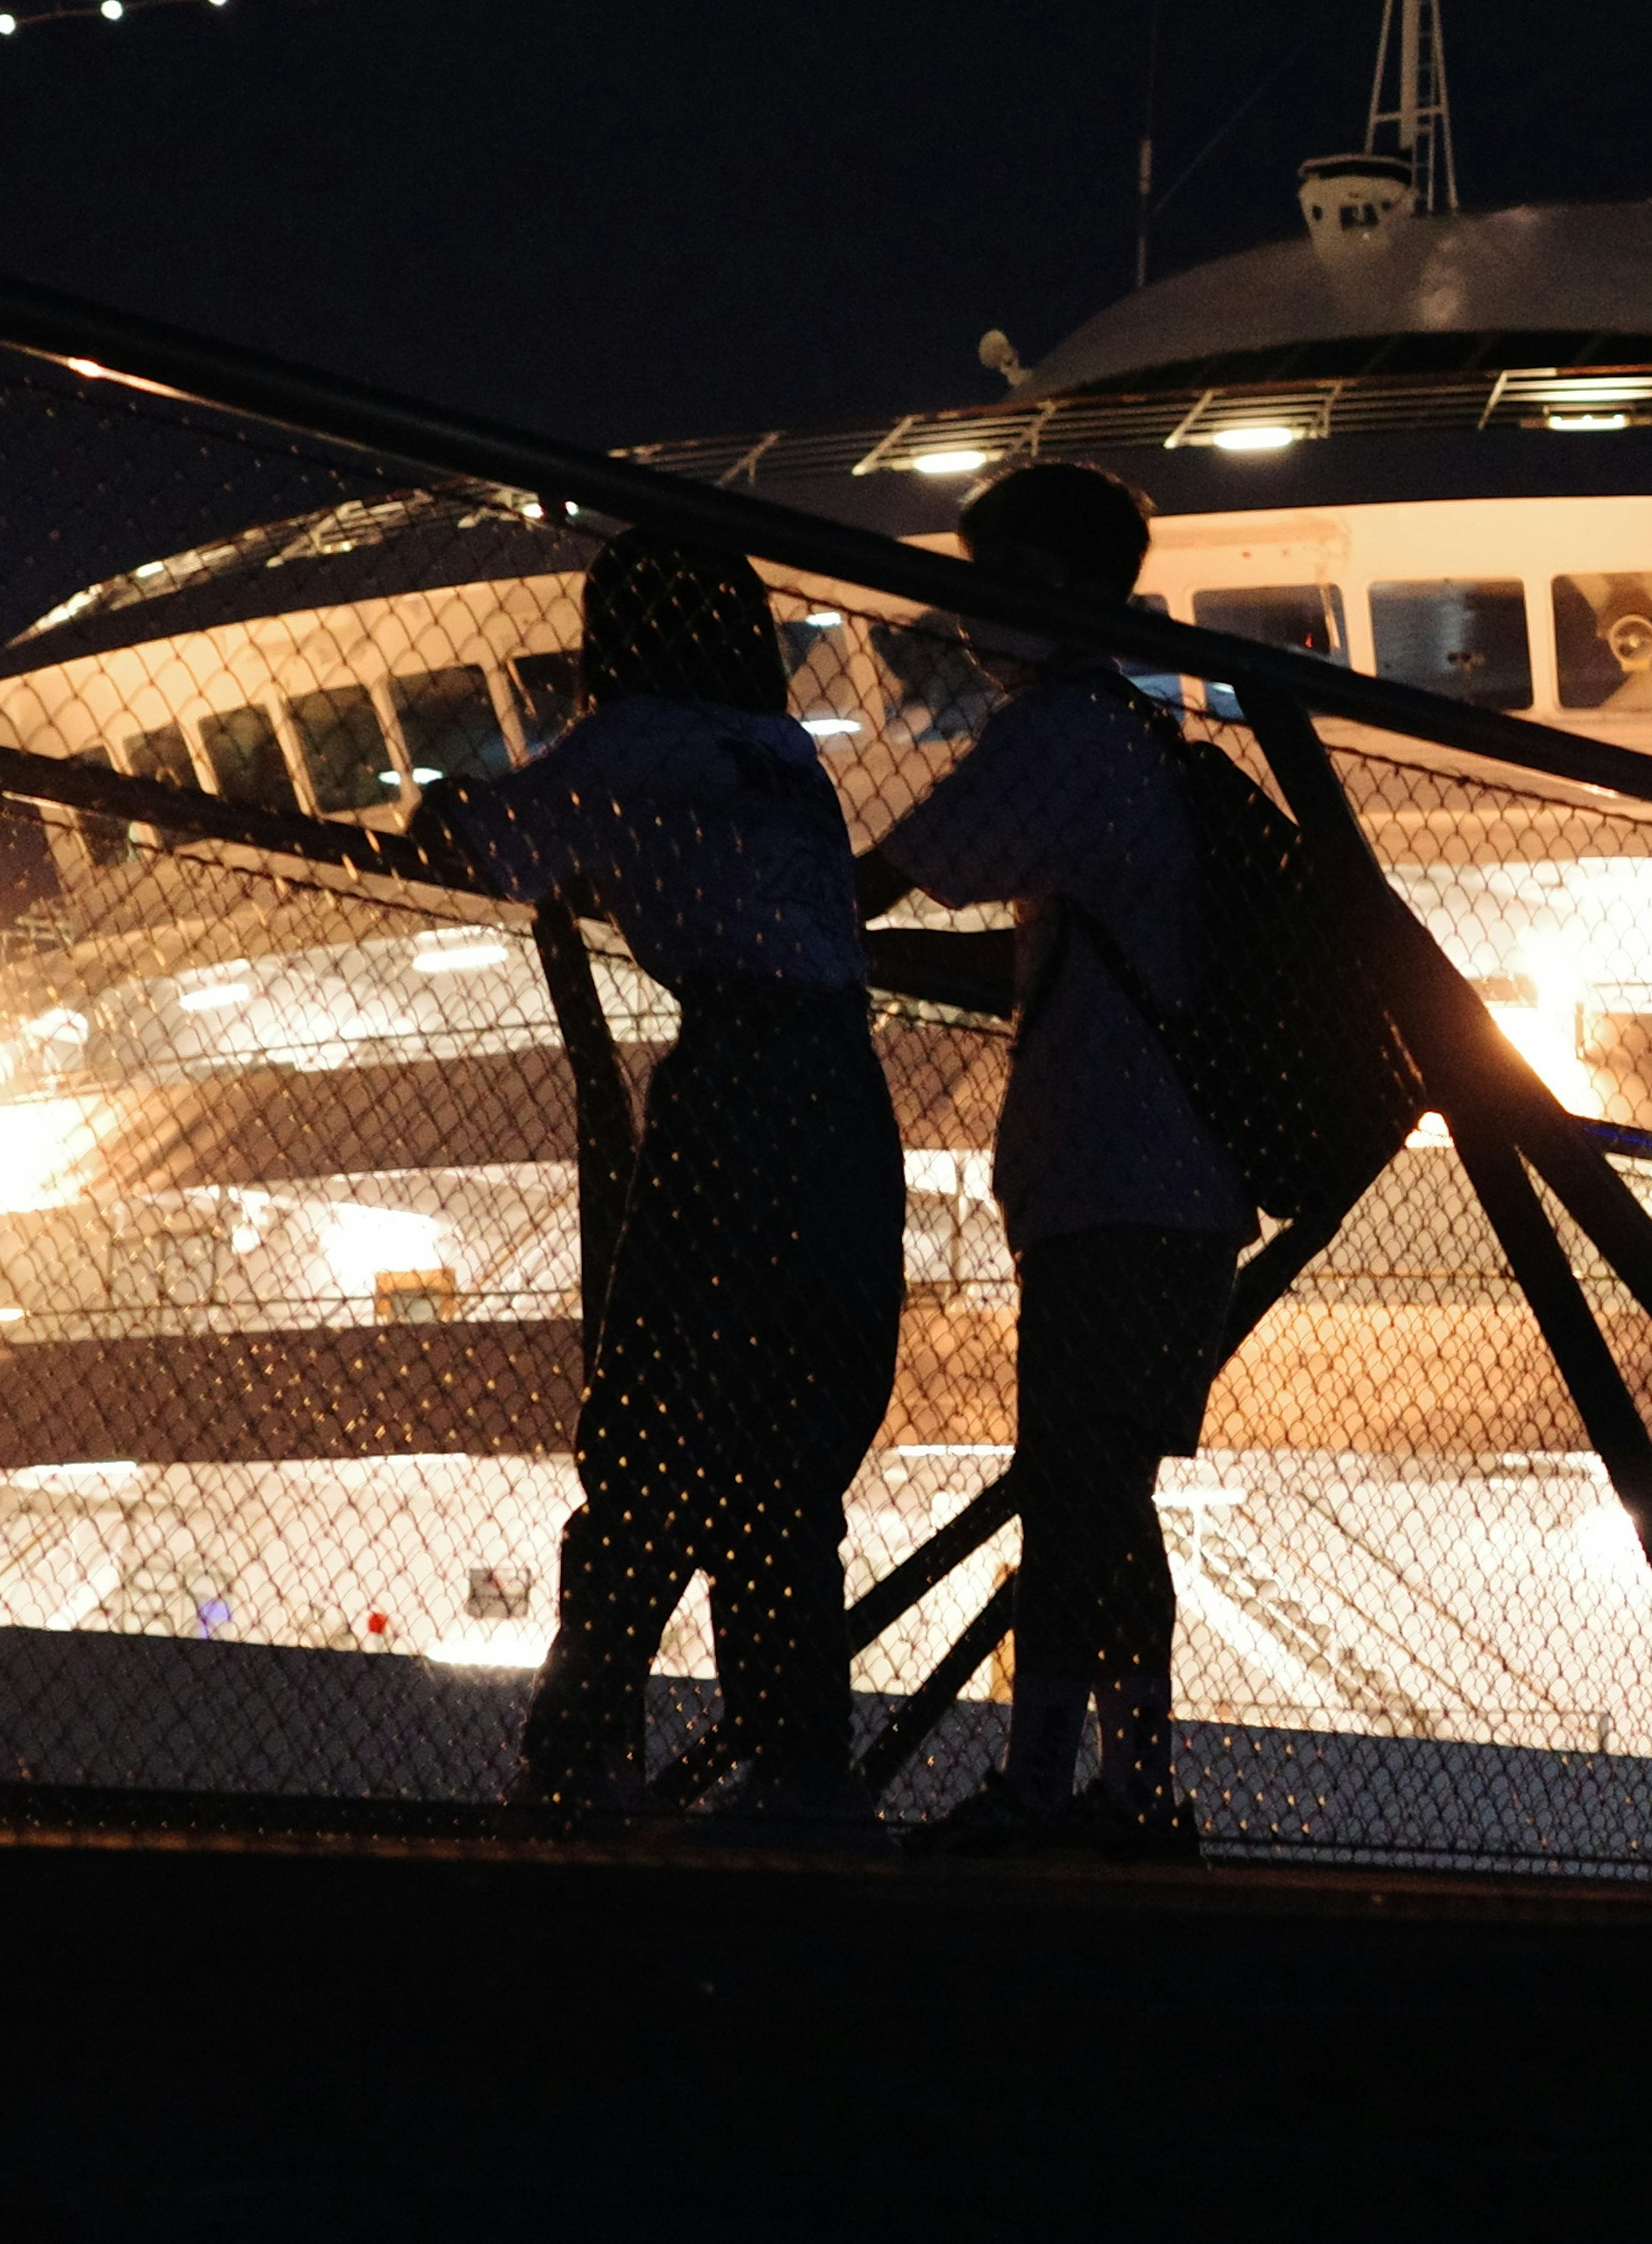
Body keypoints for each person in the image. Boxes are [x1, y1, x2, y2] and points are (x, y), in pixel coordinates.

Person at [414, 529, 904, 1841]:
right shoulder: (784, 754)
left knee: (646, 1431)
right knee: (788, 1461)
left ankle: (580, 1758)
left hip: (738, 1082)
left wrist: (446, 804)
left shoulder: (635, 738)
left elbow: (493, 845)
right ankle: (802, 1778)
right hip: (847, 1102)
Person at [854, 461, 1255, 1862]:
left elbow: (894, 869)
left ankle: (1042, 1793)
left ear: (1071, 593)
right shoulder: (1134, 741)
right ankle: (1134, 1790)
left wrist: (785, 926)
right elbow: (1039, 941)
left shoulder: (1066, 730)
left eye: (997, 585)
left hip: (1113, 1191)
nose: (971, 621)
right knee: (1106, 1498)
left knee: (1074, 1496)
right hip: (1181, 1190)